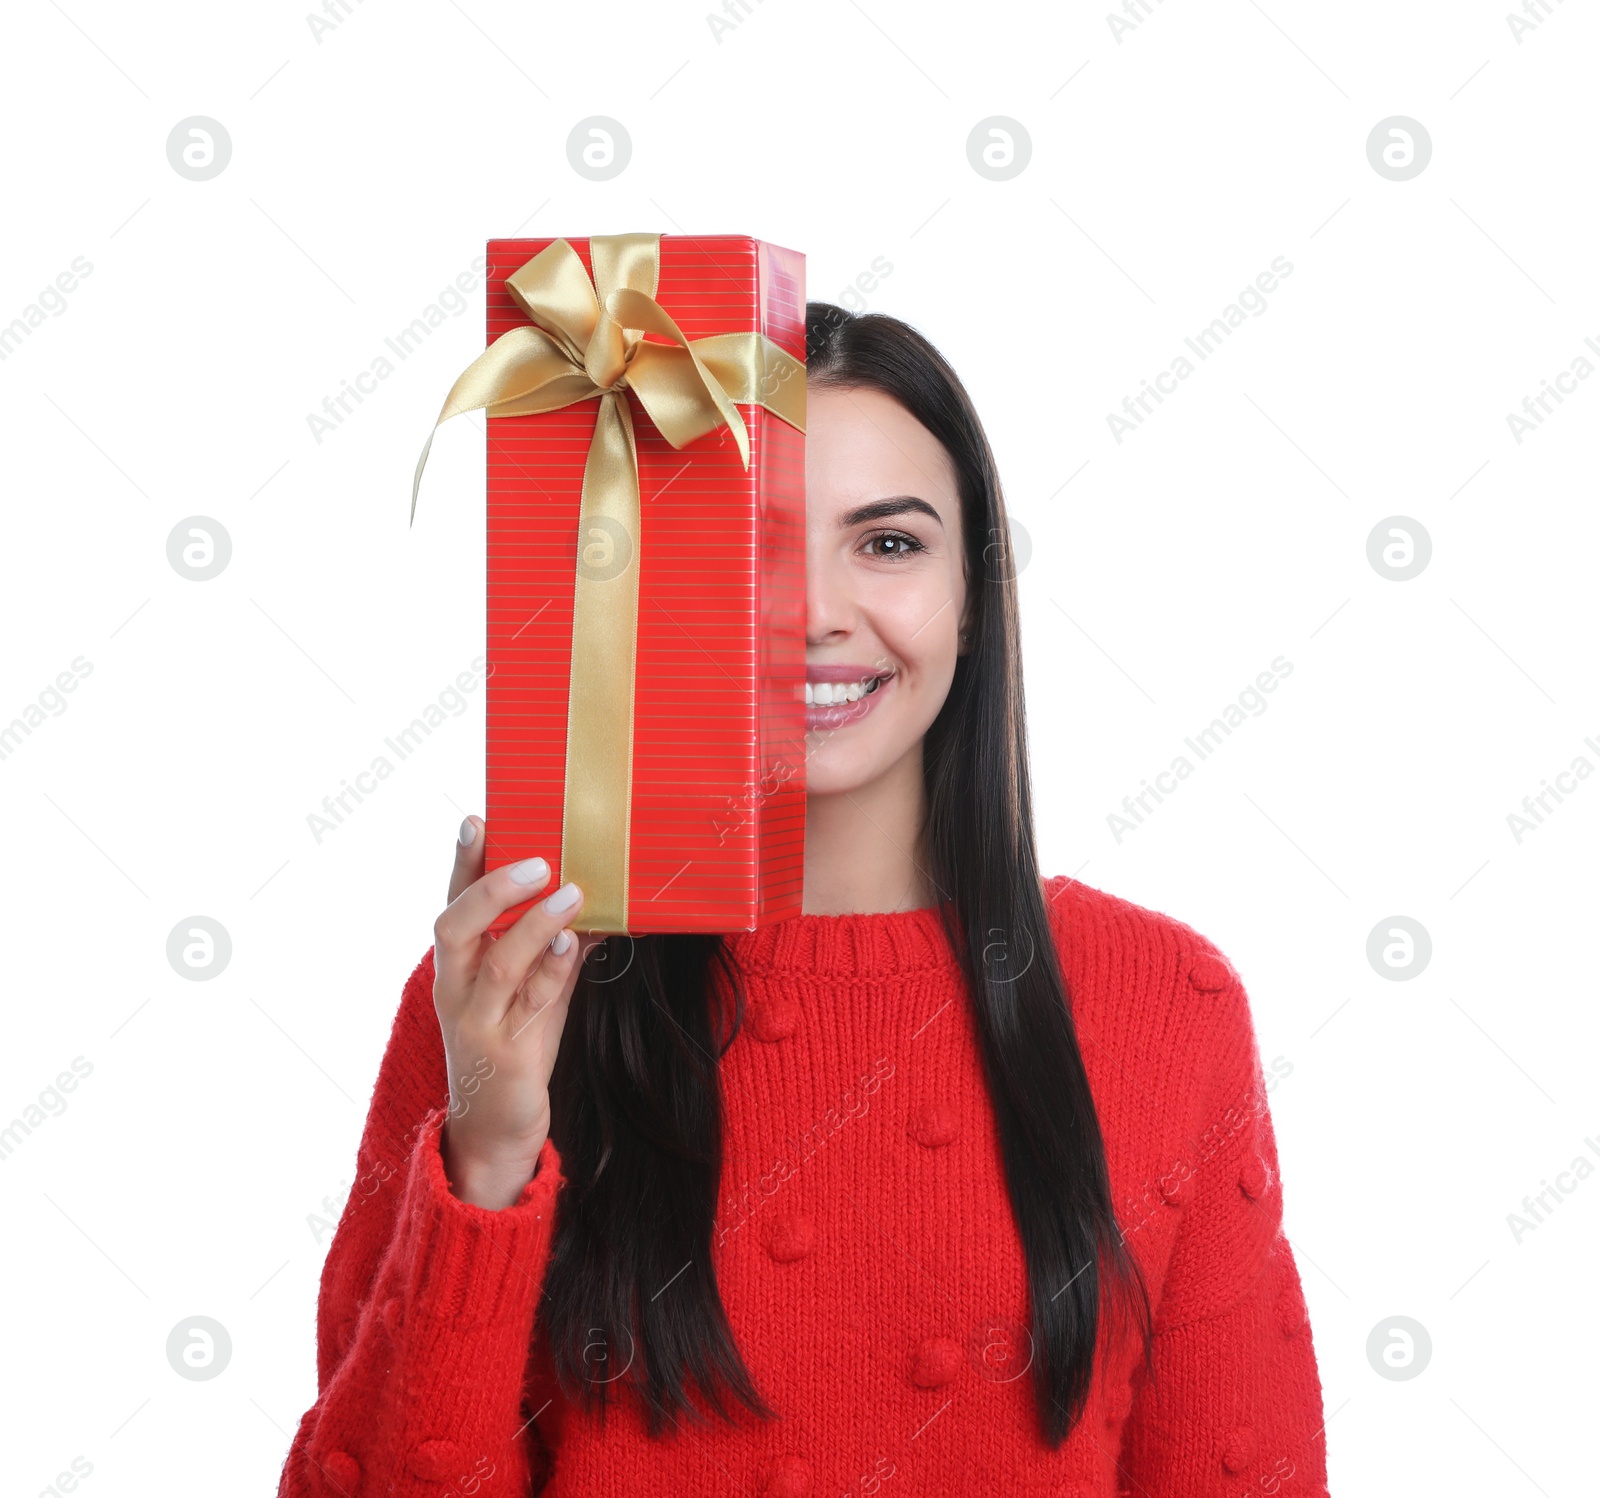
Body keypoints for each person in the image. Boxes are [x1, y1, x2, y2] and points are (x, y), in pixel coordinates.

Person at [277, 302, 1330, 1497]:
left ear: (974, 594)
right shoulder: (508, 991)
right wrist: (490, 1158)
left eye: (887, 544)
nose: (815, 611)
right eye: (751, 543)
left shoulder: (1166, 1007)